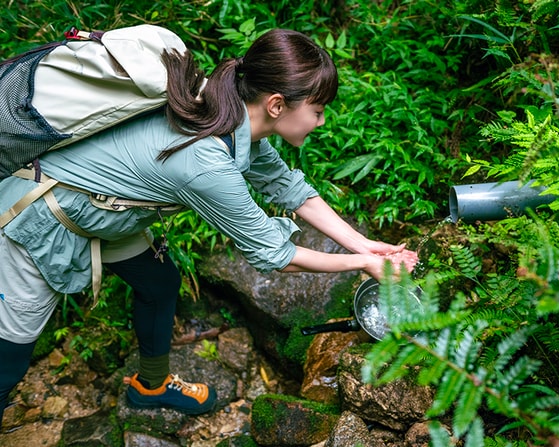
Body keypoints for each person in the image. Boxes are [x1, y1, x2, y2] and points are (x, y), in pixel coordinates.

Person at [0, 28, 418, 420]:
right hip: (42, 219)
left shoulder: (230, 112)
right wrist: (360, 264)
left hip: (105, 210)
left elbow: (287, 187)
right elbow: (274, 255)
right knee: (9, 362)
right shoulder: (204, 161)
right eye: (318, 110)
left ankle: (150, 387)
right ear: (276, 104)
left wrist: (364, 244)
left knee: (159, 283)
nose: (321, 122)